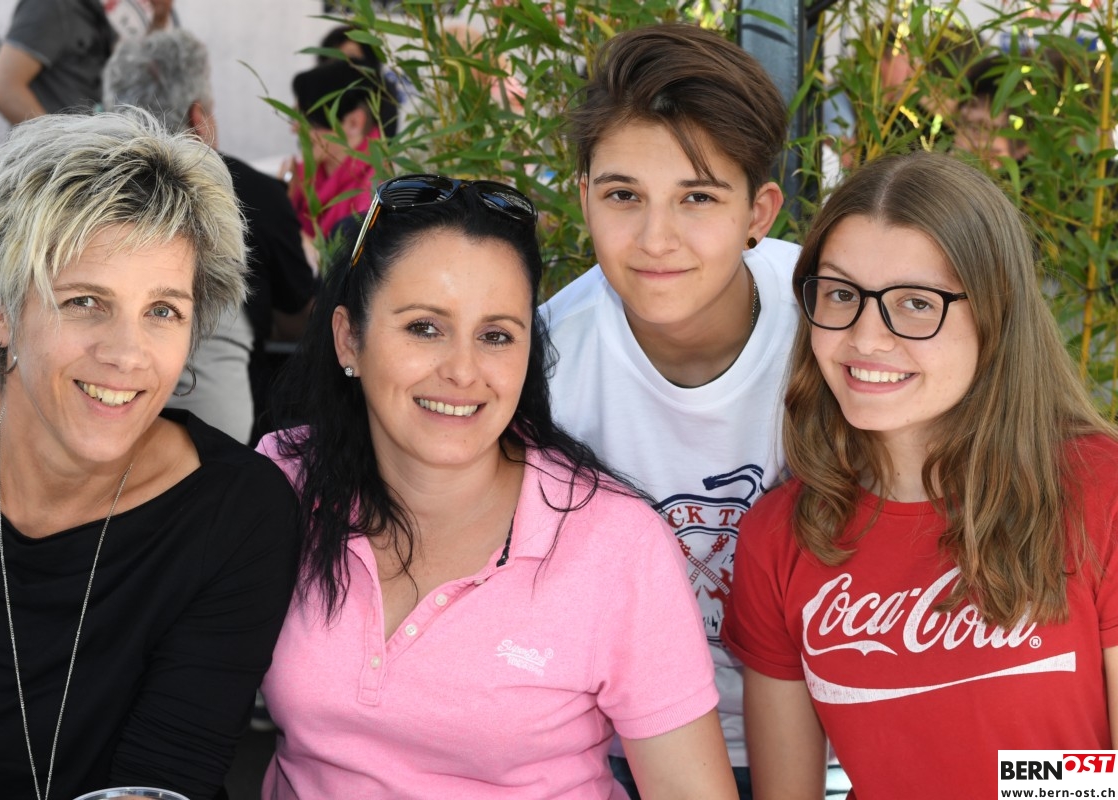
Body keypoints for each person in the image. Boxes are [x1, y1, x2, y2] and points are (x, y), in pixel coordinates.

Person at [256, 173, 737, 799]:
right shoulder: (282, 485)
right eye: (424, 327)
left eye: (496, 336)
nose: (463, 371)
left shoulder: (616, 544)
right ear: (350, 339)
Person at [0, 110, 301, 799]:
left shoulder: (237, 513)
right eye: (86, 301)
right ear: (1, 308)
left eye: (162, 310)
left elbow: (166, 775)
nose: (126, 354)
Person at [723, 151, 1118, 799]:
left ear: (995, 312)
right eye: (842, 294)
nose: (867, 338)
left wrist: (1024, 784)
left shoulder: (1100, 493)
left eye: (914, 303)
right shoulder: (779, 536)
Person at [541, 22, 800, 798]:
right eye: (624, 196)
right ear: (584, 198)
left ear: (759, 211)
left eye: (697, 198)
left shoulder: (835, 328)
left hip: (826, 730)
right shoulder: (543, 362)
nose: (656, 239)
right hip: (617, 745)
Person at [103, 28, 315, 443]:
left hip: (95, 422)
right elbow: (297, 321)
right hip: (219, 439)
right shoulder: (249, 193)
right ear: (198, 119)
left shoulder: (79, 193)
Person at [0, 0, 173, 124]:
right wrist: (64, 150)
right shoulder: (51, 5)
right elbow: (4, 91)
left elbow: (137, 78)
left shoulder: (104, 11)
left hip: (90, 155)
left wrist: (158, 19)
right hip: (59, 163)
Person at [283, 59, 380, 243]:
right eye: (294, 117)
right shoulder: (302, 174)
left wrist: (281, 214)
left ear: (353, 123)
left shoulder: (376, 193)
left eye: (307, 120)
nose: (294, 128)